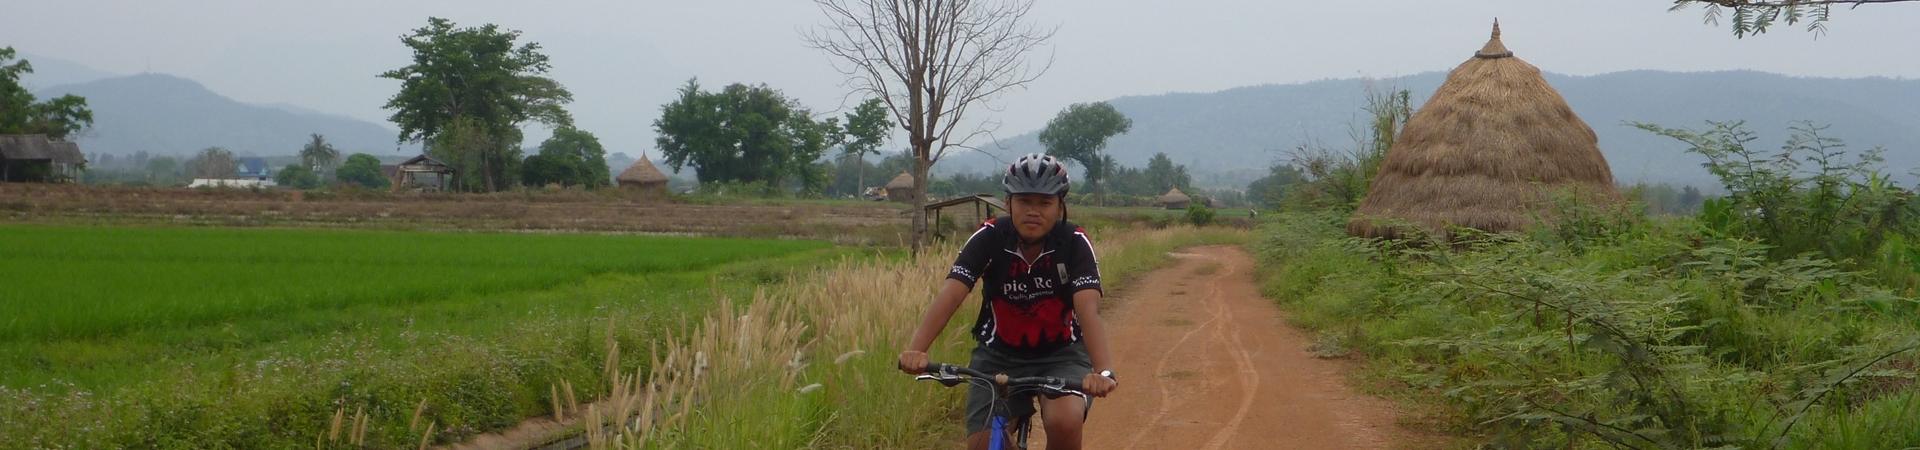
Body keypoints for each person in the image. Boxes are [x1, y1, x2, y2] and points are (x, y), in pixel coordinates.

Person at [898, 154, 1118, 450]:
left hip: (1062, 355)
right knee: (982, 444)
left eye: (1044, 203)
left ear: (1060, 207)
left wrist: (1102, 371)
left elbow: (1088, 308)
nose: (1033, 211)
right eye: (1024, 201)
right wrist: (916, 350)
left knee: (1064, 422)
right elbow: (952, 293)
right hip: (997, 355)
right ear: (1007, 203)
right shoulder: (989, 238)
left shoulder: (1074, 242)